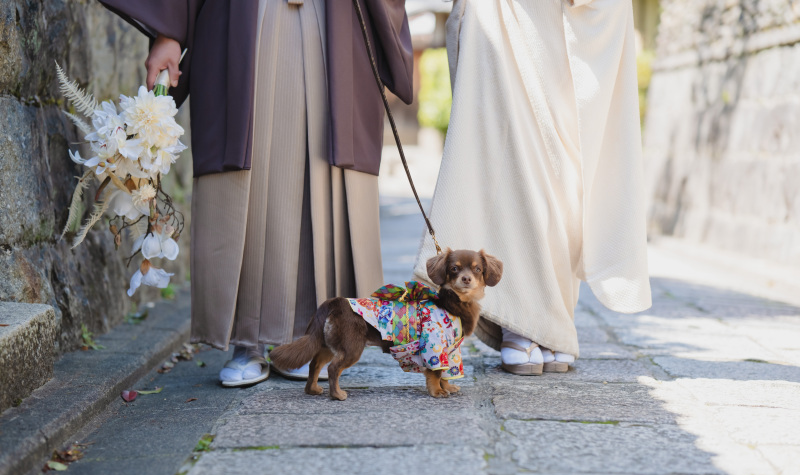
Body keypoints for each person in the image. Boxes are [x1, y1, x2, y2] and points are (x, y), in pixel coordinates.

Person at [100, 0, 413, 385]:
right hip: (243, 14)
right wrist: (169, 33)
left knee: (321, 165)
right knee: (248, 160)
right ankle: (245, 340)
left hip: (332, 15)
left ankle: (309, 337)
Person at [413, 0, 652, 374]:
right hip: (506, 12)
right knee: (511, 156)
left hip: (567, 14)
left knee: (565, 166)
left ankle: (555, 314)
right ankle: (524, 318)